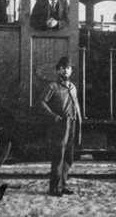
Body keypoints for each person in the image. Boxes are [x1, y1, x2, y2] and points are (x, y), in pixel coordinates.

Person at [36, 56, 82, 197]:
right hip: (60, 125)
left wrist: (79, 121)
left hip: (72, 123)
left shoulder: (72, 87)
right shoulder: (53, 86)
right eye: (63, 68)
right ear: (58, 70)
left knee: (68, 157)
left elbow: (76, 105)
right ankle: (54, 188)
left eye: (68, 68)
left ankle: (63, 185)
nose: (66, 70)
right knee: (58, 156)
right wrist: (53, 116)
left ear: (71, 71)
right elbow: (41, 102)